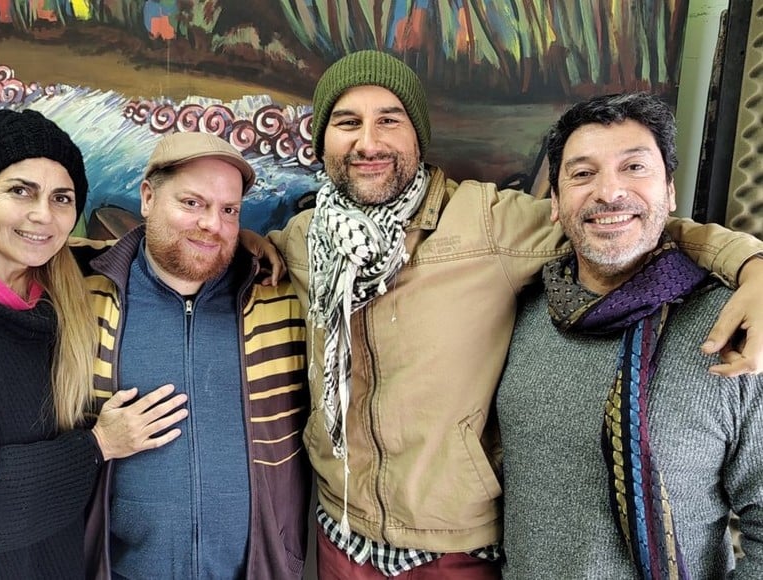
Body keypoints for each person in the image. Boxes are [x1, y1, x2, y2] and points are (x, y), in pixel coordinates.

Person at [263, 50, 763, 579]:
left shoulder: (487, 221)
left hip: (449, 550)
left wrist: (751, 264)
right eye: (347, 123)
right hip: (339, 529)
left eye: (389, 120)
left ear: (418, 136)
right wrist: (251, 244)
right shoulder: (303, 239)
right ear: (322, 141)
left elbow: (621, 221)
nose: (369, 142)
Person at [0, 109, 187, 579]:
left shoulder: (53, 303)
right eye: (20, 191)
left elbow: (156, 251)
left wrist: (248, 245)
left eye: (61, 198)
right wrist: (98, 445)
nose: (43, 215)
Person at [497, 92, 763, 578]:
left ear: (670, 191)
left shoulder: (738, 328)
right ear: (555, 202)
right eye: (583, 174)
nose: (609, 192)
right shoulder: (521, 311)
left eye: (634, 167)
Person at [82, 131, 311, 580]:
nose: (212, 224)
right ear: (148, 198)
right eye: (192, 203)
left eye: (229, 210)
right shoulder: (83, 293)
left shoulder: (279, 295)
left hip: (257, 569)